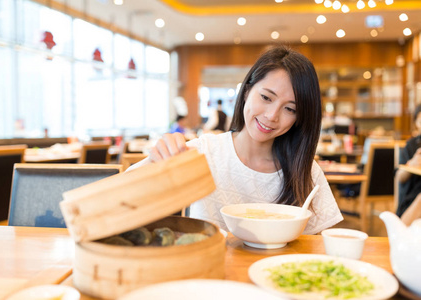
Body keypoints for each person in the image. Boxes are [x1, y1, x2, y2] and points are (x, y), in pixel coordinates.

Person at [128, 45, 343, 234]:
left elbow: (319, 248)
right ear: (247, 90)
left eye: (290, 109)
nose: (272, 116)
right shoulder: (201, 153)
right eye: (266, 97)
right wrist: (159, 159)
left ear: (300, 118)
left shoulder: (306, 171)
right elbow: (124, 196)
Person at [396, 104, 421, 224]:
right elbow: (399, 177)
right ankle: (401, 232)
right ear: (416, 122)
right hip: (413, 196)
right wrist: (412, 164)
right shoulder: (411, 145)